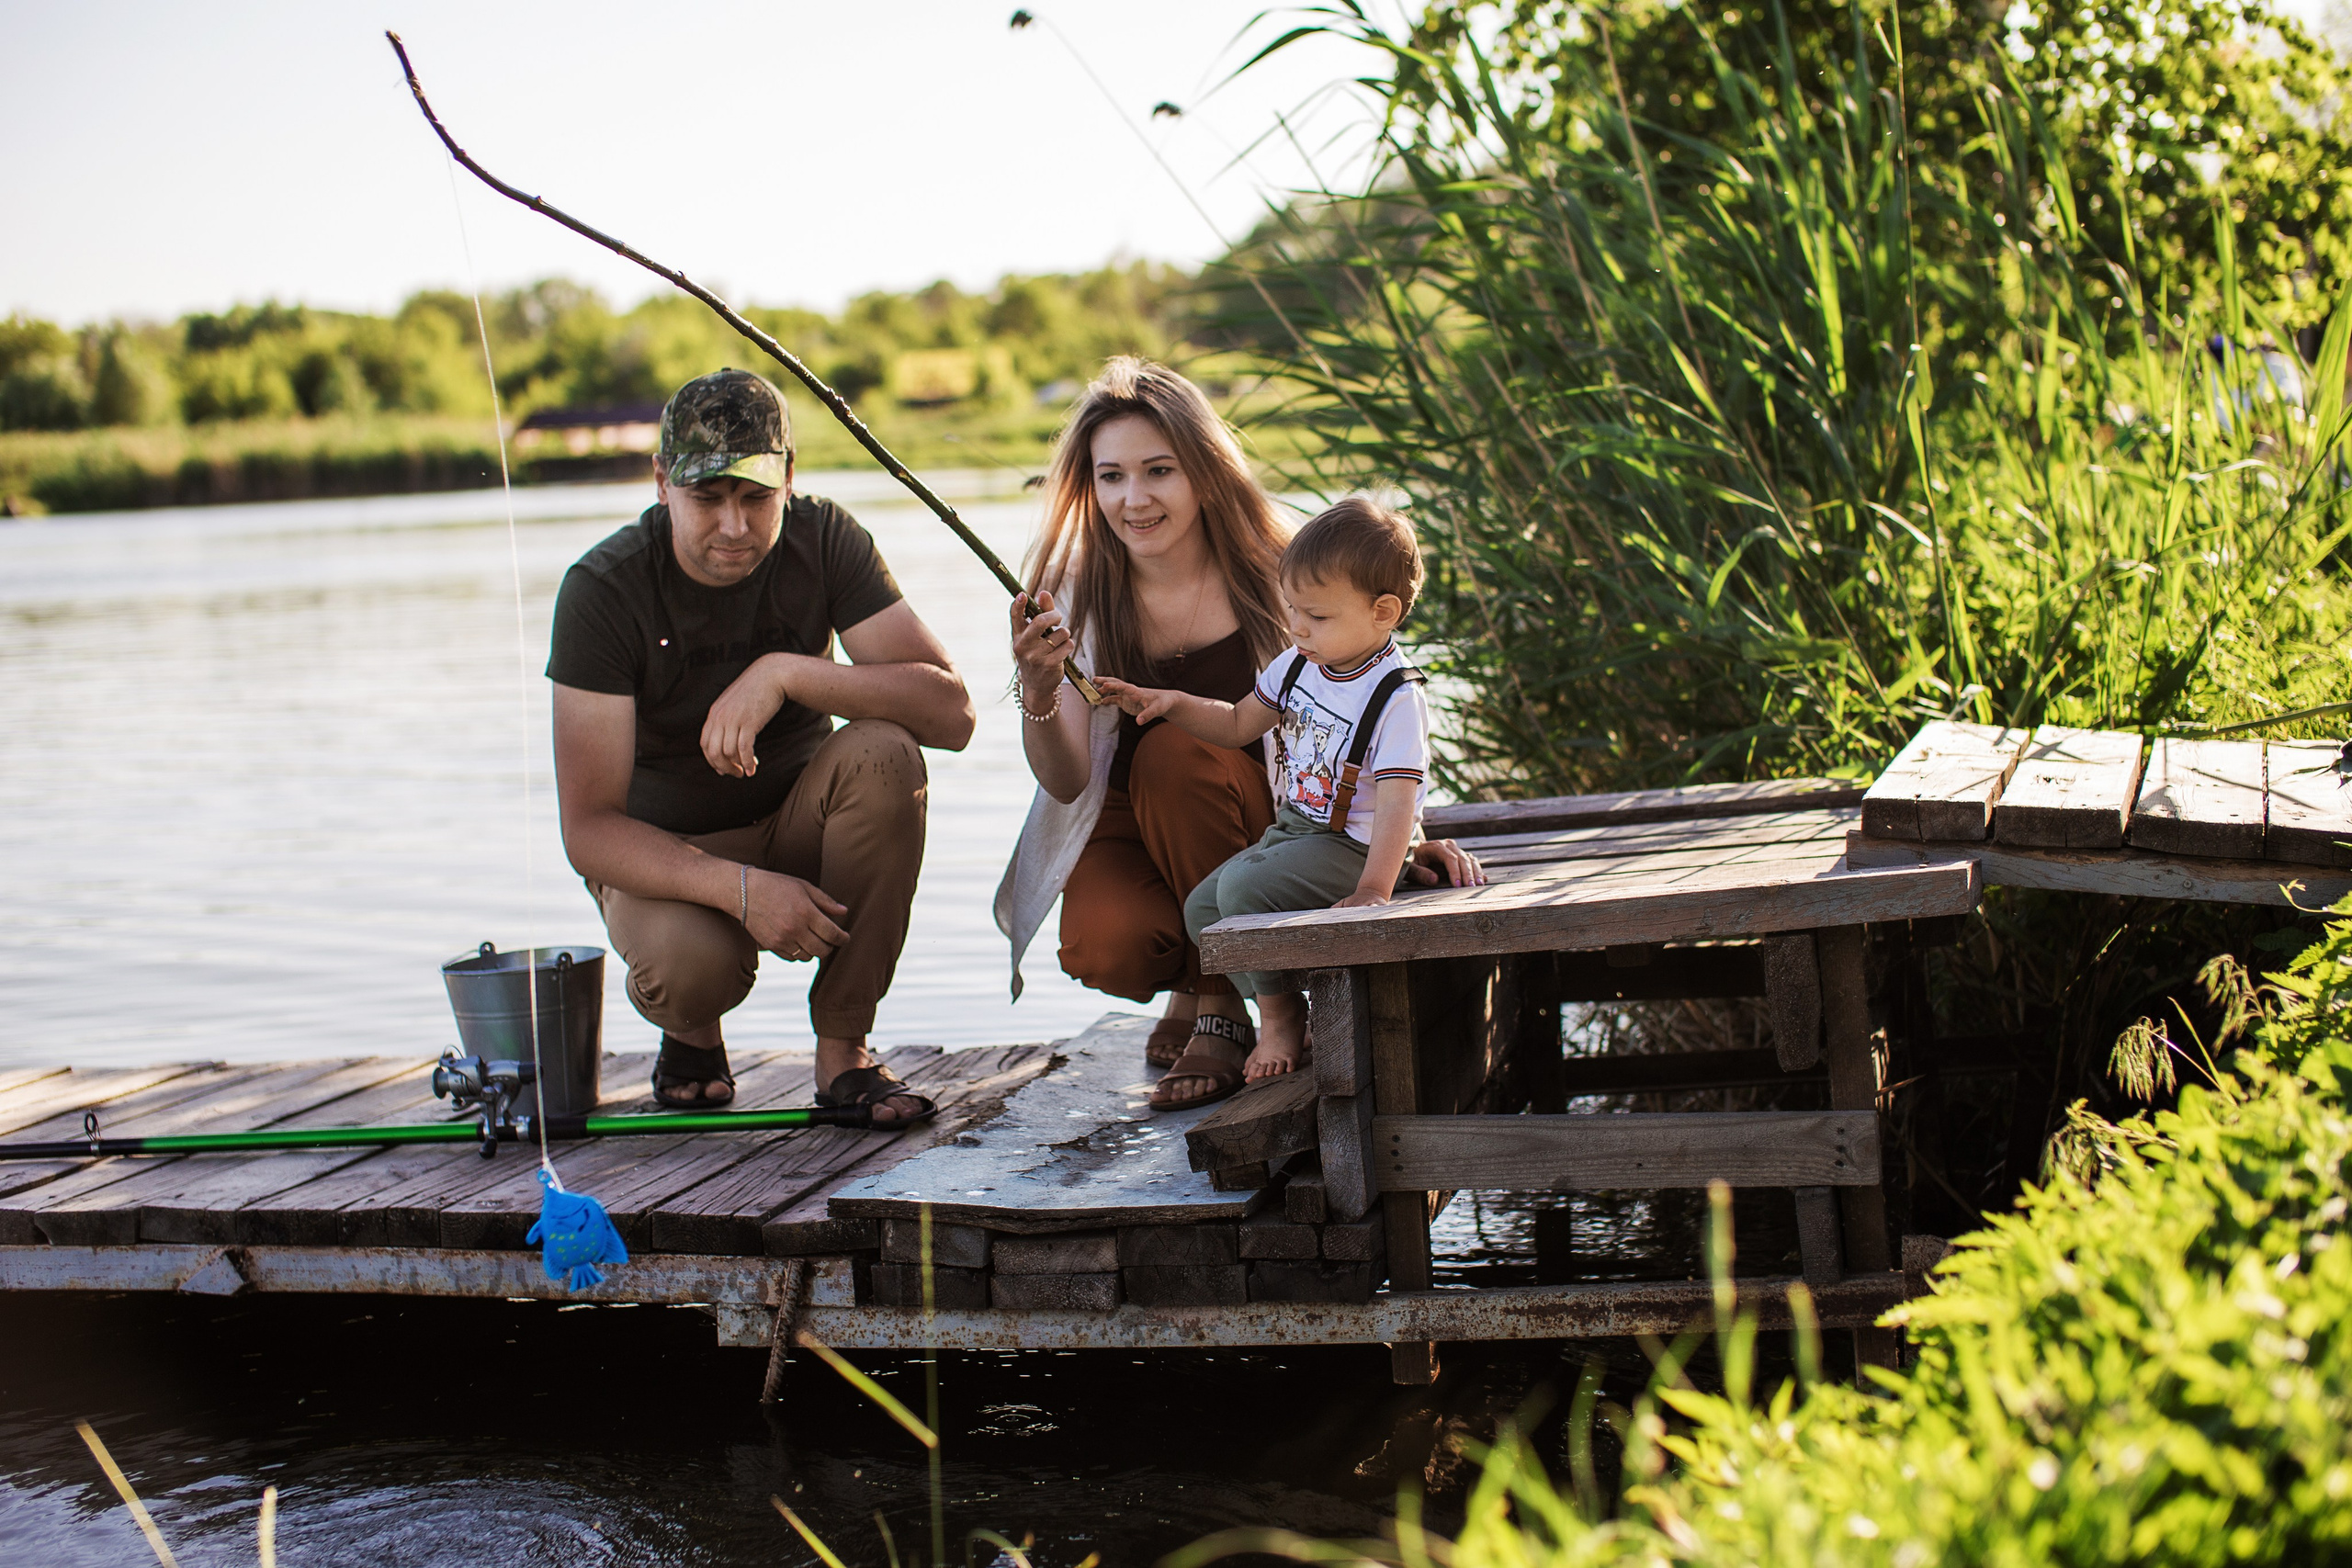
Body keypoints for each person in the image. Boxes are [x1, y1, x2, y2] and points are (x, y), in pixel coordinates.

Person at [997, 357, 1480, 1111]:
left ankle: (1220, 1005)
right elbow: (1064, 781)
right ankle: (1194, 981)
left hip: (1265, 813)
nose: (1135, 498)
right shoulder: (1074, 586)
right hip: (1131, 817)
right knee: (1103, 942)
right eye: (1112, 476)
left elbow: (1379, 709)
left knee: (1174, 751)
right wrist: (1038, 684)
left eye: (1159, 470)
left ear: (1203, 470)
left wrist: (1408, 834)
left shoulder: (1280, 567)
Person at [547, 368, 973, 1125]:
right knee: (692, 969)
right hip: (667, 853)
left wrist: (787, 674)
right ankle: (691, 1032)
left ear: (790, 479)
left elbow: (952, 715)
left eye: (756, 497)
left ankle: (844, 1049)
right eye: (707, 499)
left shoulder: (826, 539)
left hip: (795, 820)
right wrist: (740, 889)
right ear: (660, 483)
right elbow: (588, 829)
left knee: (886, 752)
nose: (735, 527)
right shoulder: (601, 590)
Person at [1094, 497, 1485, 1110]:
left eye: (1317, 615)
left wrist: (1377, 888)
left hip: (1355, 847)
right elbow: (1235, 722)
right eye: (1293, 610)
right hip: (1296, 829)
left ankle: (1277, 1019)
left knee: (1243, 892)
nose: (1298, 627)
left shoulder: (1394, 696)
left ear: (1383, 612)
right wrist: (1171, 701)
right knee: (1204, 912)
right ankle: (1284, 1003)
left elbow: (1398, 802)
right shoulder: (1301, 663)